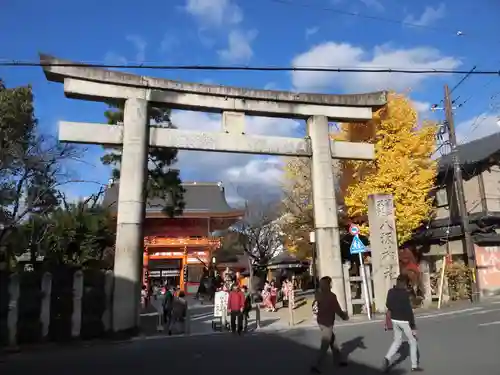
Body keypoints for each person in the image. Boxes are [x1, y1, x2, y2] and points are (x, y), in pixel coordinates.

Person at [383, 275, 422, 372]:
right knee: (412, 341)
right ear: (406, 283)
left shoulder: (391, 291)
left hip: (394, 319)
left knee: (397, 341)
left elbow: (388, 304)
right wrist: (413, 325)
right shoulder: (405, 294)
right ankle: (414, 365)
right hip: (405, 321)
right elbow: (409, 311)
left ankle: (387, 358)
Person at [311, 276, 349, 374]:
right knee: (325, 344)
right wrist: (344, 316)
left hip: (320, 321)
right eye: (330, 283)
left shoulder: (318, 294)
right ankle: (316, 364)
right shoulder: (331, 296)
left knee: (333, 341)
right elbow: (337, 309)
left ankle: (338, 361)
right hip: (328, 322)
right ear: (329, 284)